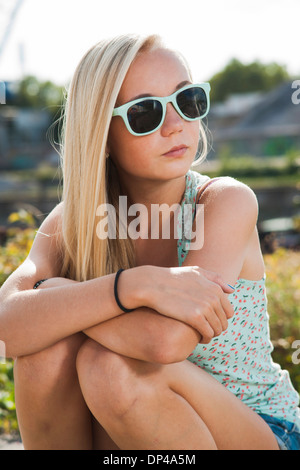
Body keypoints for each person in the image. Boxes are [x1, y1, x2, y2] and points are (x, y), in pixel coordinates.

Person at [0, 34, 299, 451]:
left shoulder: (223, 202)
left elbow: (166, 342)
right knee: (44, 354)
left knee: (109, 367)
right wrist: (136, 286)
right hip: (143, 433)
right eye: (145, 113)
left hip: (265, 430)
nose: (176, 123)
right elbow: (6, 328)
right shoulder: (77, 223)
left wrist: (58, 298)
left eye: (188, 100)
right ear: (102, 136)